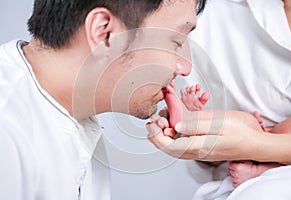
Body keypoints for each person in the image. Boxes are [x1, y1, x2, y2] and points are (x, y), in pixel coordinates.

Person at [0, 0, 207, 199]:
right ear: (104, 33)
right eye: (177, 42)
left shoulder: (75, 113)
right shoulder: (7, 135)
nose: (185, 68)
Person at [147, 0, 291, 199]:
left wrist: (256, 144)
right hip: (240, 171)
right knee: (247, 121)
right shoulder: (201, 14)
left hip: (258, 172)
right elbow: (215, 159)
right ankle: (192, 121)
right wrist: (205, 142)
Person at [164, 82, 291, 188]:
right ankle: (194, 122)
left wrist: (258, 171)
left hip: (283, 162)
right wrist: (267, 130)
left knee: (244, 129)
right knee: (243, 125)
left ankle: (192, 122)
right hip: (271, 137)